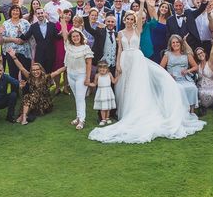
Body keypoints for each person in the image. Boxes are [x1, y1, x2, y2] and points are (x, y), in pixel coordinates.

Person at [88, 11, 206, 144]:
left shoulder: (138, 29)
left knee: (137, 85)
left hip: (137, 59)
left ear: (134, 20)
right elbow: (120, 49)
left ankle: (137, 109)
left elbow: (139, 18)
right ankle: (123, 111)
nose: (130, 20)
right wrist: (118, 64)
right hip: (125, 59)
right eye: (128, 18)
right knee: (125, 86)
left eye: (132, 19)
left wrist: (143, 2)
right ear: (125, 20)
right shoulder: (120, 33)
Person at [58, 18, 94, 130]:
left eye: (77, 36)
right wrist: (62, 20)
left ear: (81, 37)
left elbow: (89, 64)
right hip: (71, 75)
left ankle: (82, 120)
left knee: (80, 98)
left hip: (81, 76)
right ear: (71, 38)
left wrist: (87, 79)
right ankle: (78, 117)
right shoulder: (68, 46)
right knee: (76, 97)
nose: (75, 38)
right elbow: (64, 33)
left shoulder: (86, 48)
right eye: (73, 36)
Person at [7, 50, 56, 125]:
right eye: (33, 70)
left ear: (41, 70)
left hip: (43, 103)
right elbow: (21, 68)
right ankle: (24, 117)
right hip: (32, 100)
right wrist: (14, 57)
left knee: (32, 96)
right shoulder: (30, 77)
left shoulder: (45, 77)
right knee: (27, 96)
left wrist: (67, 66)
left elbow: (58, 72)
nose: (35, 71)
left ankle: (22, 115)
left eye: (37, 69)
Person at [161, 35, 199, 114]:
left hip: (184, 78)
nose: (175, 44)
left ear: (181, 43)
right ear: (171, 44)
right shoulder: (167, 54)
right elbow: (160, 68)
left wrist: (188, 70)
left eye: (177, 42)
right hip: (173, 80)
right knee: (179, 88)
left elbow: (196, 67)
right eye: (173, 43)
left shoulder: (186, 54)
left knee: (192, 88)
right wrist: (168, 75)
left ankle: (191, 111)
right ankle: (178, 110)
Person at [0, 5, 32, 93]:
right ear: (10, 12)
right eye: (13, 10)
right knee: (13, 73)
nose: (15, 12)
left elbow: (30, 36)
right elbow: (2, 39)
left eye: (17, 11)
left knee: (25, 72)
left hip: (25, 52)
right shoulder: (6, 23)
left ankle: (26, 91)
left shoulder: (25, 23)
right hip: (11, 52)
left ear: (20, 12)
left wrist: (22, 40)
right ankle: (14, 92)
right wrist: (13, 39)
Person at [18, 8, 60, 74]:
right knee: (40, 72)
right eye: (38, 13)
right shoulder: (33, 26)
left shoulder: (52, 25)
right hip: (39, 53)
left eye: (41, 13)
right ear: (35, 15)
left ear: (44, 13)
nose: (40, 15)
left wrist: (63, 32)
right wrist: (20, 32)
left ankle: (48, 84)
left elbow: (57, 37)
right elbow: (25, 37)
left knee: (49, 72)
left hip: (50, 53)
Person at [90, 61, 118, 126]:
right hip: (101, 92)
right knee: (103, 107)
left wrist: (119, 75)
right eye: (100, 68)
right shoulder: (97, 75)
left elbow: (113, 81)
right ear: (98, 69)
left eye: (104, 68)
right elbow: (94, 84)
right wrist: (88, 83)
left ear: (107, 69)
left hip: (108, 91)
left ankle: (107, 118)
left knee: (108, 107)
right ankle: (103, 119)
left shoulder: (109, 74)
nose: (102, 69)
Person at [194, 43, 213, 114]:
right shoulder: (197, 66)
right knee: (199, 92)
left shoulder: (210, 63)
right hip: (201, 85)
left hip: (211, 86)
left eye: (201, 52)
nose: (200, 54)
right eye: (198, 54)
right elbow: (189, 52)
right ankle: (203, 106)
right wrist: (185, 42)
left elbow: (212, 52)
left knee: (212, 94)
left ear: (204, 53)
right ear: (197, 56)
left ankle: (203, 106)